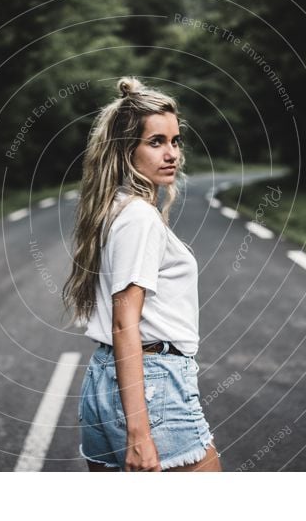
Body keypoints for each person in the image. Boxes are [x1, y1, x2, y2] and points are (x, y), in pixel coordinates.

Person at [62, 76, 222, 472]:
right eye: (156, 142)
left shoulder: (115, 208)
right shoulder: (139, 217)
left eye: (175, 140)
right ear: (126, 150)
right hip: (153, 387)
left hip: (105, 383)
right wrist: (139, 434)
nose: (171, 154)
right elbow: (123, 320)